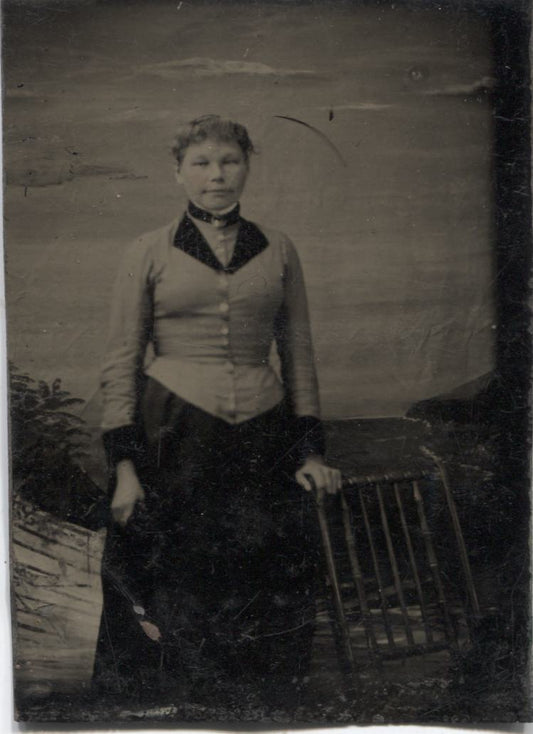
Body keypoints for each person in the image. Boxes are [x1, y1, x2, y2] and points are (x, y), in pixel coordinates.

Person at [92, 115, 341, 710]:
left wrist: (309, 451)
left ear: (247, 168)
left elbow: (298, 354)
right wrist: (125, 468)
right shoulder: (147, 250)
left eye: (229, 161)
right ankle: (180, 706)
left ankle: (257, 705)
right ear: (178, 172)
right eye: (201, 163)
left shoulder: (278, 248)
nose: (216, 175)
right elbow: (122, 361)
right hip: (174, 431)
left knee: (263, 566)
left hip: (264, 432)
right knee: (177, 571)